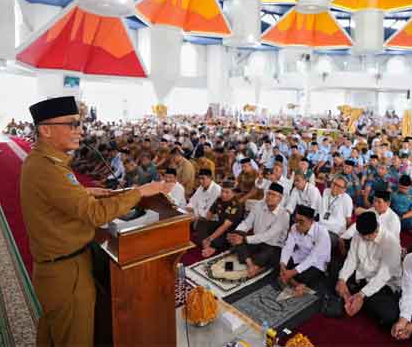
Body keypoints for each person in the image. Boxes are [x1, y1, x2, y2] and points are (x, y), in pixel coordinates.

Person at [20, 96, 172, 346]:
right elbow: (95, 215)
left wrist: (85, 192)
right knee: (73, 339)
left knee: (53, 334)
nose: (79, 130)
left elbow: (55, 199)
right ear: (45, 130)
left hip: (57, 268)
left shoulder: (43, 161)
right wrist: (141, 192)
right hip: (67, 273)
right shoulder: (48, 168)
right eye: (71, 124)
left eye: (79, 123)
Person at [337, 212, 402, 328]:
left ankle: (356, 296)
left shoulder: (391, 243)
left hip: (383, 284)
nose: (365, 238)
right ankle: (355, 295)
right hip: (361, 275)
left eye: (368, 236)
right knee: (336, 269)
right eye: (362, 236)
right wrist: (342, 279)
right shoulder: (359, 234)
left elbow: (383, 276)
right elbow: (352, 258)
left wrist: (362, 295)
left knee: (388, 316)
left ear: (377, 229)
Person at [228, 182, 290, 277]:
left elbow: (268, 236)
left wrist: (244, 239)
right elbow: (247, 222)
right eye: (268, 193)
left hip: (272, 245)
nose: (269, 197)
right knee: (236, 236)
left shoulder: (284, 215)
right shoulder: (258, 205)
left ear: (280, 199)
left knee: (267, 256)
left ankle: (252, 261)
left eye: (273, 195)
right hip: (256, 240)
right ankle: (250, 263)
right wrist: (237, 234)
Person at [279, 205, 331, 295]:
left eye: (301, 221)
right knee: (281, 261)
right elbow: (288, 247)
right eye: (296, 220)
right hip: (301, 256)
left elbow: (313, 257)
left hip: (317, 262)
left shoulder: (322, 233)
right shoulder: (294, 227)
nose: (297, 224)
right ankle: (297, 283)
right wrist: (282, 265)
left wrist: (292, 272)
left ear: (311, 221)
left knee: (306, 275)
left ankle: (296, 282)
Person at [197, 180, 244, 258]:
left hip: (230, 230)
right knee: (201, 222)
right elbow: (208, 216)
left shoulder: (236, 205)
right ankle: (207, 246)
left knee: (226, 237)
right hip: (219, 224)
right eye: (222, 191)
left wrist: (209, 238)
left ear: (234, 193)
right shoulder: (219, 199)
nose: (223, 194)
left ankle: (211, 246)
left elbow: (225, 226)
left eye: (227, 192)